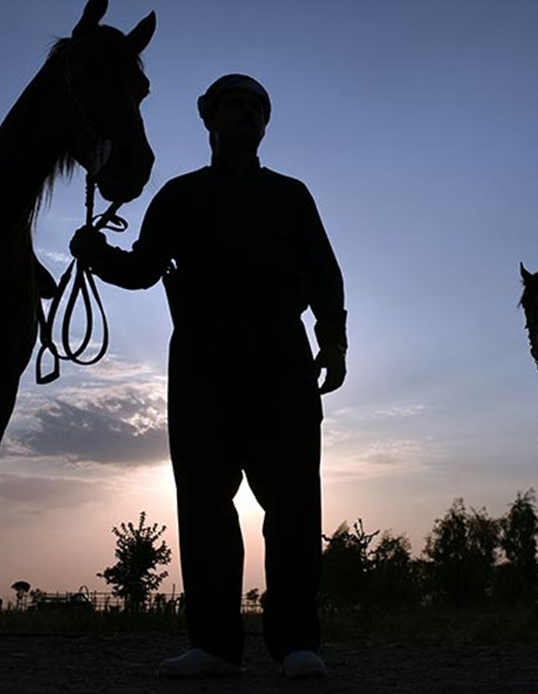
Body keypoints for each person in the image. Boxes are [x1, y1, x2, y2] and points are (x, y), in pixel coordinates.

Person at [70, 74, 346, 679]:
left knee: (295, 503)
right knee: (203, 505)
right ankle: (215, 645)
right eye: (233, 104)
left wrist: (335, 341)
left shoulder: (291, 196)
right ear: (209, 119)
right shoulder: (178, 196)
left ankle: (299, 642)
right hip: (201, 362)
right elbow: (144, 270)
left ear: (265, 124)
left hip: (281, 356)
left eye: (255, 107)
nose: (245, 113)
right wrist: (95, 255)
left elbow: (324, 273)